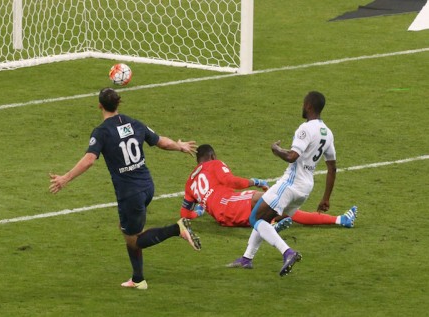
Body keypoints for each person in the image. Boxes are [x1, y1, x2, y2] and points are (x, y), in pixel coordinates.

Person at [49, 87, 201, 290]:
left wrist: (65, 178)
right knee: (128, 232)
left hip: (130, 193)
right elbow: (161, 142)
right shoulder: (133, 123)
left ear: (100, 106)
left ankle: (177, 229)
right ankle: (138, 279)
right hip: (147, 186)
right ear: (118, 103)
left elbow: (89, 160)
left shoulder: (102, 132)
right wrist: (179, 146)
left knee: (134, 239)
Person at [229, 91, 337, 276]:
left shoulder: (305, 129)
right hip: (306, 188)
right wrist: (326, 198)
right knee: (263, 219)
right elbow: (332, 167)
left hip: (291, 184)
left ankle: (288, 252)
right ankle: (247, 259)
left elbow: (291, 156)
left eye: (304, 104)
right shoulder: (328, 133)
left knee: (255, 218)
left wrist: (276, 149)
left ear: (309, 106)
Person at [180, 144, 357, 231]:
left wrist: (200, 213)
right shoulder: (214, 164)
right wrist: (255, 181)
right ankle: (271, 226)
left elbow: (185, 214)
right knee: (267, 198)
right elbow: (232, 182)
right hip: (230, 204)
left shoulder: (190, 181)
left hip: (225, 216)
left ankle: (340, 220)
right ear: (212, 155)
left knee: (283, 210)